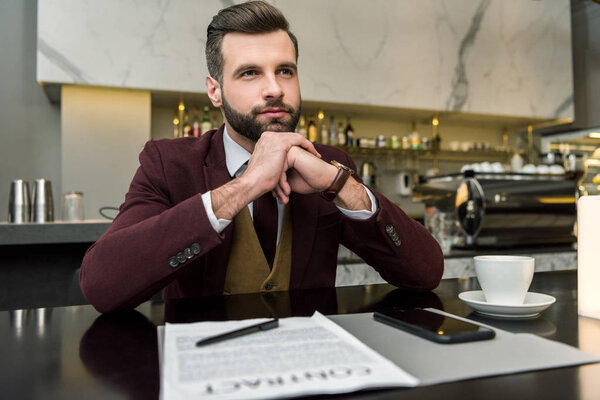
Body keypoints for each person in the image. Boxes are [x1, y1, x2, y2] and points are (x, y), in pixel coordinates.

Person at [79, 1, 443, 313]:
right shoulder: (168, 162)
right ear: (215, 91)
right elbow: (102, 286)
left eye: (285, 70)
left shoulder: (328, 163)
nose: (274, 89)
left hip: (313, 370)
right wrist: (247, 184)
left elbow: (425, 273)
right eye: (250, 73)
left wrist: (339, 185)